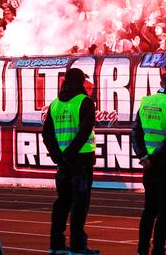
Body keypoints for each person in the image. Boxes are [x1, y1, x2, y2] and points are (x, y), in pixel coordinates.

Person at [44, 68, 100, 255]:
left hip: (62, 161)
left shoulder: (55, 104)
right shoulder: (84, 102)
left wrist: (56, 155)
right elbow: (85, 131)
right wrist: (71, 152)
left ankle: (56, 243)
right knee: (79, 203)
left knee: (62, 202)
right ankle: (78, 245)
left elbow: (47, 134)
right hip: (81, 159)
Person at [132, 70, 166, 255]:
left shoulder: (146, 102)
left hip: (150, 166)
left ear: (161, 82)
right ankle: (158, 250)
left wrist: (144, 157)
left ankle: (142, 250)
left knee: (149, 210)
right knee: (165, 212)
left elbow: (136, 133)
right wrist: (154, 158)